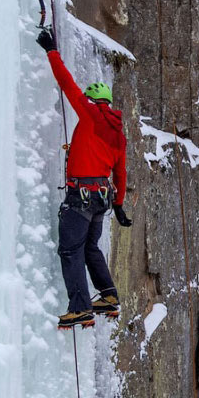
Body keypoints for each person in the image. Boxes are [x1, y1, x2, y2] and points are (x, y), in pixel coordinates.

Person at [37, 27, 131, 329]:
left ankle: (80, 308)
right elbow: (121, 172)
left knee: (70, 250)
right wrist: (118, 205)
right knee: (91, 248)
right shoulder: (118, 133)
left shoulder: (89, 114)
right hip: (102, 198)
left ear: (92, 100)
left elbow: (67, 83)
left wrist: (51, 50)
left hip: (81, 196)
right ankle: (108, 296)